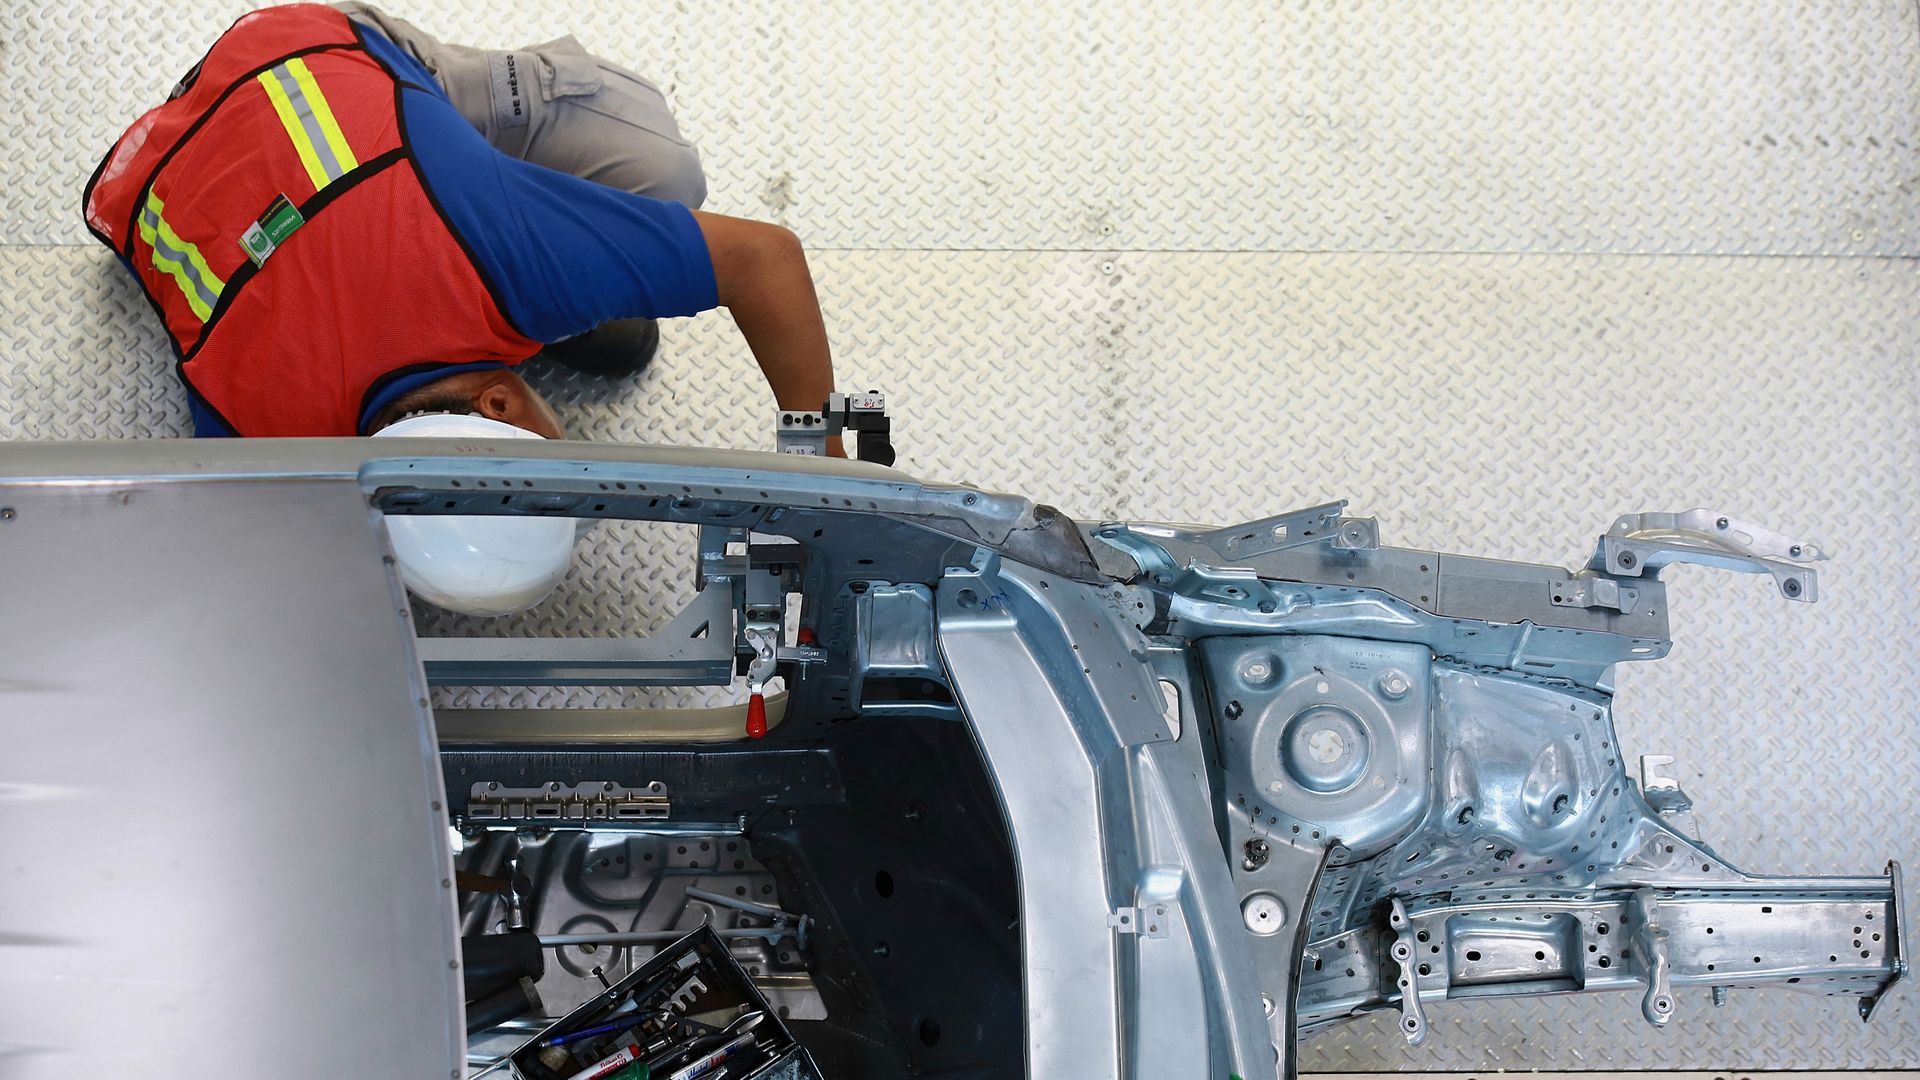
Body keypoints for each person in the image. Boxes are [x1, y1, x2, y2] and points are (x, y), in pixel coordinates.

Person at [82, 3, 841, 451]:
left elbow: (764, 259)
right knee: (615, 344)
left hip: (303, 52)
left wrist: (828, 456)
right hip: (170, 162)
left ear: (500, 406)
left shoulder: (501, 259)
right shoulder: (258, 438)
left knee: (667, 176)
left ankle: (479, 153)